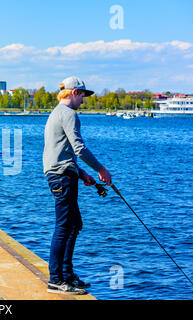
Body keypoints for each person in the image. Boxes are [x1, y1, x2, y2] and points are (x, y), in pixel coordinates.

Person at [43, 76, 112, 295]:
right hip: (62, 176)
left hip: (62, 174)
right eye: (83, 95)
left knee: (74, 224)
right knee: (64, 226)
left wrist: (82, 174)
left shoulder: (56, 113)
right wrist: (101, 169)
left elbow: (61, 152)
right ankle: (56, 280)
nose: (83, 100)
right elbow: (79, 148)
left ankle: (67, 275)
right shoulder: (69, 114)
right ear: (74, 93)